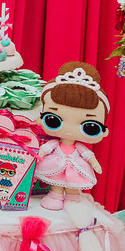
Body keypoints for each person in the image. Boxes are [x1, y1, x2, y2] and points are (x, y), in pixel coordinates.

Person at [36, 62, 110, 209]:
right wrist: (39, 155)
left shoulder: (80, 148)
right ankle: (55, 195)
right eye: (52, 120)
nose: (69, 130)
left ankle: (72, 198)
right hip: (56, 165)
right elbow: (45, 149)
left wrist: (95, 164)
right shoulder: (55, 144)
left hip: (75, 167)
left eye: (90, 127)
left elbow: (88, 155)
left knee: (73, 184)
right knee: (56, 183)